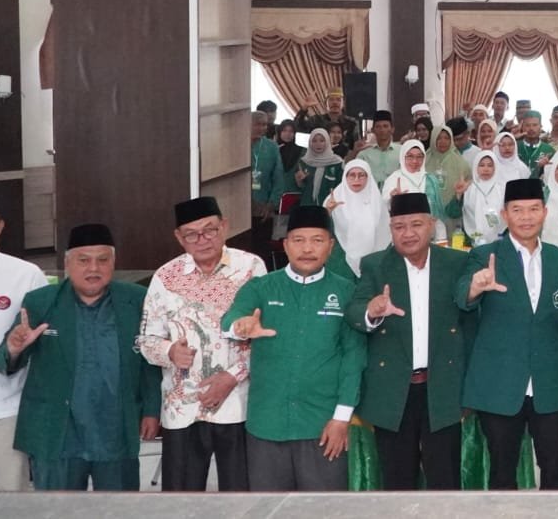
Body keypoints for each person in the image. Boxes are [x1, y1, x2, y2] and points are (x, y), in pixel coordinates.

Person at [0, 223, 159, 490]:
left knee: (120, 507)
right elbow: (4, 360)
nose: (93, 269)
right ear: (67, 264)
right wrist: (14, 347)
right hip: (57, 433)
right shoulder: (41, 302)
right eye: (83, 260)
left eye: (102, 260)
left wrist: (152, 410)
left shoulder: (136, 300)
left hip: (114, 430)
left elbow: (149, 360)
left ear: (113, 262)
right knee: (58, 508)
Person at [223, 205, 364, 492]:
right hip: (267, 423)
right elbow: (231, 317)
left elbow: (354, 359)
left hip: (323, 425)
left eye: (317, 240)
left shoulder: (347, 291)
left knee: (324, 508)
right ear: (286, 245)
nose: (307, 249)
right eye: (299, 240)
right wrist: (240, 326)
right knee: (268, 507)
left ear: (331, 246)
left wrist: (341, 418)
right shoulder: (262, 287)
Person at [457, 178, 558, 490]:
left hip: (550, 382)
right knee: (502, 472)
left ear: (544, 212)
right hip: (500, 384)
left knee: (554, 469)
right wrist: (475, 287)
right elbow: (461, 298)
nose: (526, 217)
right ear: (505, 214)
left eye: (533, 209)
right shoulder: (485, 256)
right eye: (517, 210)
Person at [138, 196, 268, 491]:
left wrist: (231, 377)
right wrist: (170, 351)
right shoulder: (165, 277)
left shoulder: (251, 268)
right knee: (182, 498)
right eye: (192, 234)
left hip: (238, 404)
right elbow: (146, 339)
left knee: (241, 496)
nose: (202, 240)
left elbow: (264, 334)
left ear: (224, 226)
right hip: (183, 408)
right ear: (179, 237)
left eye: (209, 230)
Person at [348, 193, 471, 490]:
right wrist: (371, 310)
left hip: (442, 388)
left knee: (445, 481)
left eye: (416, 224)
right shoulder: (376, 265)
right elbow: (354, 311)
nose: (408, 233)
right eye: (399, 226)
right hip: (393, 390)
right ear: (390, 229)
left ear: (432, 224)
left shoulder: (456, 262)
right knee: (397, 483)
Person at [0, 189, 48, 490]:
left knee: (12, 499)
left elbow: (45, 340)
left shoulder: (26, 275)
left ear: (0, 226)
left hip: (6, 409)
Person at [326, 161, 388, 277]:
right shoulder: (334, 199)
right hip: (340, 260)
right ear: (345, 177)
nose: (356, 179)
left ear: (368, 177)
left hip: (372, 259)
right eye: (352, 175)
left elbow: (385, 232)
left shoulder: (376, 201)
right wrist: (328, 212)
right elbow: (322, 230)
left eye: (361, 175)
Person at [250, 110, 284, 251]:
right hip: (239, 208)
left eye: (265, 125)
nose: (262, 128)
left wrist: (271, 204)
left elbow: (278, 178)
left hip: (264, 207)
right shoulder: (237, 144)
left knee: (262, 250)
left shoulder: (272, 147)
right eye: (258, 124)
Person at [461, 153, 506, 247]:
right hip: (472, 238)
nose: (486, 169)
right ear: (475, 167)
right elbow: (457, 212)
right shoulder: (469, 188)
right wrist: (458, 195)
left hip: (498, 239)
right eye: (481, 165)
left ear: (495, 168)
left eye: (490, 165)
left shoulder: (501, 189)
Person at [295, 128, 345, 207]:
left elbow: (341, 188)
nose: (318, 144)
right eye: (314, 141)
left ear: (327, 142)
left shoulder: (337, 163)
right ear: (310, 143)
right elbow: (301, 188)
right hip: (307, 206)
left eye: (322, 141)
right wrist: (299, 181)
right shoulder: (303, 162)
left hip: (329, 208)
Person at [355, 110, 402, 183]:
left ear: (392, 129)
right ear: (373, 130)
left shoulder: (402, 151)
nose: (382, 130)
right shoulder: (364, 155)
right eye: (378, 127)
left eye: (385, 126)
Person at [425, 124, 470, 197]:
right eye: (439, 138)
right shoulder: (425, 160)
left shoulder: (459, 161)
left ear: (451, 140)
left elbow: (469, 180)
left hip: (454, 202)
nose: (443, 141)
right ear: (433, 139)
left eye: (446, 138)